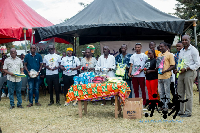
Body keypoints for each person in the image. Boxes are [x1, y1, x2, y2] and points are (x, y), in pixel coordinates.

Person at [177, 35, 200, 117]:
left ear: (189, 40)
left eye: (186, 40)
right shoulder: (182, 50)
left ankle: (188, 112)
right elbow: (180, 62)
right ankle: (180, 111)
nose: (184, 42)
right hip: (181, 72)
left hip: (190, 72)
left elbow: (197, 64)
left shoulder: (193, 50)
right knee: (180, 92)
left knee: (188, 92)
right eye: (183, 40)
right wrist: (178, 69)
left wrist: (187, 68)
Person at [157, 42, 175, 111]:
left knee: (167, 92)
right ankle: (162, 106)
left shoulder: (170, 55)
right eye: (160, 47)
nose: (160, 48)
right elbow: (159, 65)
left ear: (165, 47)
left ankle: (166, 106)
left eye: (162, 46)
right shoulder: (159, 55)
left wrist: (166, 70)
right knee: (161, 92)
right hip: (159, 76)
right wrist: (157, 68)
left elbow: (173, 65)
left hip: (167, 76)